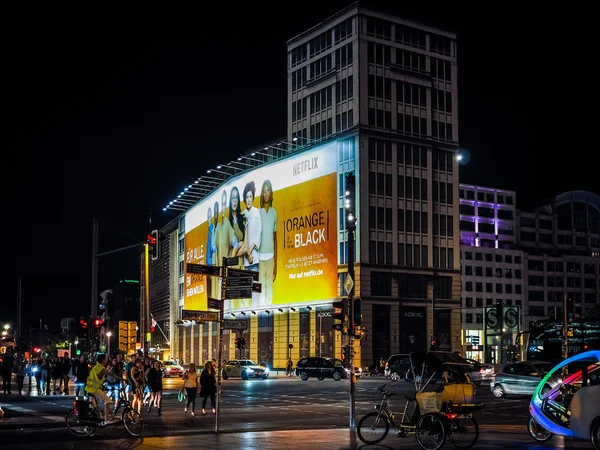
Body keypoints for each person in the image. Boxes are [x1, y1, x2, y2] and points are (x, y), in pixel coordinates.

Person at [258, 179, 277, 306]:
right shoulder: (258, 213)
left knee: (269, 289)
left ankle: (268, 314)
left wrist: (276, 262)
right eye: (264, 191)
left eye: (268, 190)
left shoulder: (274, 212)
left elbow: (276, 239)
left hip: (270, 256)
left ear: (270, 194)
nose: (266, 194)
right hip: (260, 256)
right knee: (261, 289)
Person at [85, 354, 113, 425]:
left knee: (93, 407)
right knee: (107, 400)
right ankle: (106, 420)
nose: (107, 359)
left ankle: (89, 426)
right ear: (103, 360)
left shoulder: (97, 367)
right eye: (106, 358)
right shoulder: (101, 368)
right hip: (93, 390)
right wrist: (122, 379)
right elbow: (111, 375)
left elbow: (98, 378)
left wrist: (102, 386)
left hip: (91, 389)